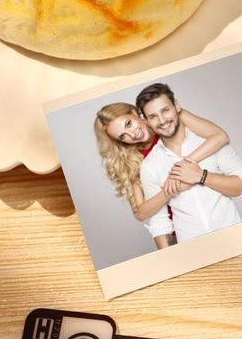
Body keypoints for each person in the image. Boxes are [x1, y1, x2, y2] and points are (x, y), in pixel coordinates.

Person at [95, 100, 230, 249]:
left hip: (214, 212)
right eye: (122, 136)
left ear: (134, 113)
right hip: (176, 228)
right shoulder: (134, 160)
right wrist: (171, 189)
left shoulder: (170, 119)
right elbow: (140, 213)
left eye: (128, 124)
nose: (132, 134)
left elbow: (220, 136)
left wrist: (178, 171)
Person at [136, 83, 242, 244]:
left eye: (165, 110)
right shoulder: (150, 165)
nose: (162, 120)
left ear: (177, 106)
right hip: (192, 250)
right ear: (146, 121)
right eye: (153, 116)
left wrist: (202, 176)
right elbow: (160, 223)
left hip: (237, 239)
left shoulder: (210, 142)